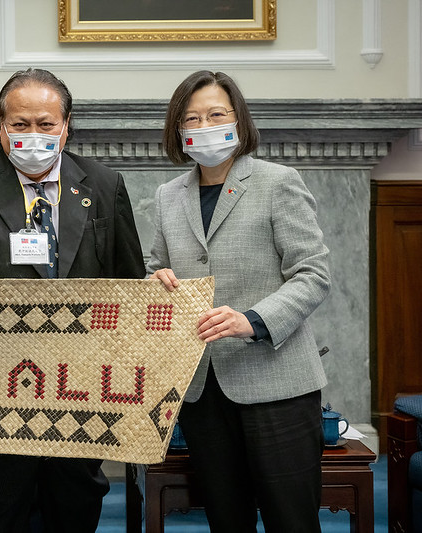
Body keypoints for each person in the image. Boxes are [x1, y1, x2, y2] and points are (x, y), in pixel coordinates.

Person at [0, 68, 145, 532]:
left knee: (74, 510)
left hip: (80, 389)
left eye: (45, 124)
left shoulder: (104, 184)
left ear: (66, 126)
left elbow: (129, 285)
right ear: (0, 126)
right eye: (20, 124)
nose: (33, 134)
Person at [147, 70, 330, 532]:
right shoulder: (169, 196)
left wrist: (253, 320)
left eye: (216, 114)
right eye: (192, 118)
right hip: (202, 389)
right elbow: (156, 267)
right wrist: (154, 280)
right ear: (178, 129)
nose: (204, 126)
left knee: (292, 520)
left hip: (277, 384)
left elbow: (313, 273)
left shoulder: (278, 182)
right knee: (226, 519)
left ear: (238, 119)